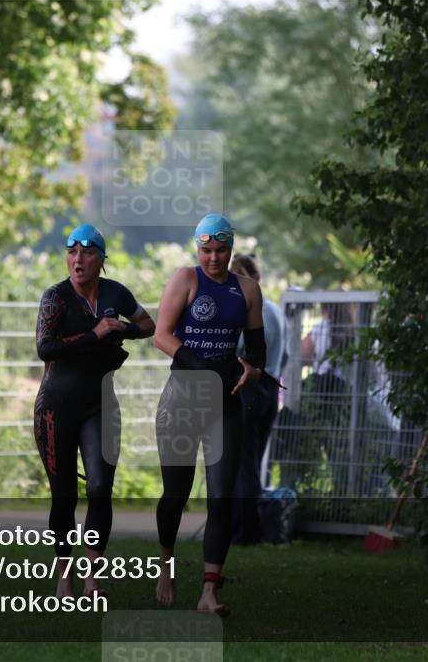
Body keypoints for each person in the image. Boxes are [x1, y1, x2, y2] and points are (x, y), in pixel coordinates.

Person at [152, 213, 266, 616]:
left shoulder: (248, 290)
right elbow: (161, 336)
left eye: (220, 250)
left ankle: (208, 593)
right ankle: (166, 567)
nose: (213, 258)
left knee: (222, 497)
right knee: (176, 496)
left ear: (230, 249)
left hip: (225, 404)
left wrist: (251, 369)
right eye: (206, 250)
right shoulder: (186, 279)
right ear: (196, 248)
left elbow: (257, 352)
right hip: (184, 397)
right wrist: (203, 370)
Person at [33, 224, 155, 599]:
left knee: (101, 488)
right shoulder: (56, 297)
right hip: (55, 408)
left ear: (101, 259)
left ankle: (92, 578)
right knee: (64, 496)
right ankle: (65, 576)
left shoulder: (116, 291)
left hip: (100, 405)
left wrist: (122, 329)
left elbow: (148, 324)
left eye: (87, 253)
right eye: (72, 253)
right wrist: (94, 335)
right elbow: (45, 348)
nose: (78, 260)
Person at [228, 254, 286, 544]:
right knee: (255, 459)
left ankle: (243, 531)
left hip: (248, 386)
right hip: (271, 389)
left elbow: (239, 350)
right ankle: (252, 527)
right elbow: (284, 354)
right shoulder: (276, 311)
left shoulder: (248, 310)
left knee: (242, 461)